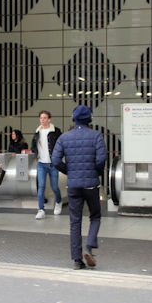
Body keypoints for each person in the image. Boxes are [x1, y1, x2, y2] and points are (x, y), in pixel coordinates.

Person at [52, 105, 106, 270]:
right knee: (95, 216)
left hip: (73, 184)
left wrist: (69, 171)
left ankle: (77, 260)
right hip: (91, 184)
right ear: (89, 119)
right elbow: (101, 160)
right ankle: (89, 246)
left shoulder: (64, 137)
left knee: (75, 221)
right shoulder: (96, 136)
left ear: (74, 119)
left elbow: (55, 160)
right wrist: (95, 173)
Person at [31, 111, 63, 219]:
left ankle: (58, 201)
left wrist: (58, 158)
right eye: (41, 118)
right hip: (41, 164)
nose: (42, 120)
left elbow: (62, 145)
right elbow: (33, 146)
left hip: (53, 164)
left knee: (54, 187)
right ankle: (41, 209)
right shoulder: (37, 132)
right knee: (41, 187)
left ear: (49, 119)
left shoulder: (56, 131)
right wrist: (35, 153)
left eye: (45, 118)